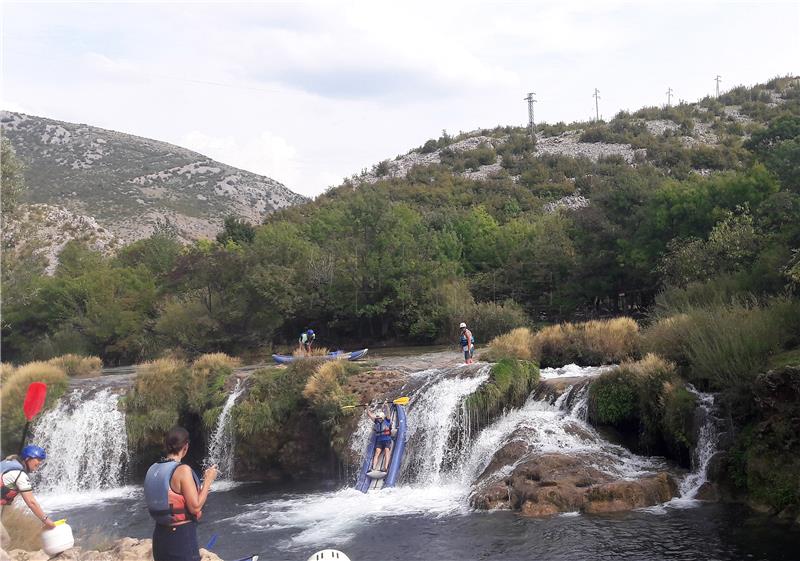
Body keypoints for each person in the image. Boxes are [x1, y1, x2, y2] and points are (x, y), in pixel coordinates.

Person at [144, 427, 217, 561]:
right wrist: (208, 481)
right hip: (180, 536)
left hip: (159, 535)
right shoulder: (182, 470)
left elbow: (170, 495)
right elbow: (195, 507)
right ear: (185, 447)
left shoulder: (153, 468)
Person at [1, 445, 57, 530]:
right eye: (38, 459)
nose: (39, 463)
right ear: (28, 459)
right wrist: (46, 521)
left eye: (41, 460)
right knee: (3, 540)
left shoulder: (8, 463)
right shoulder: (19, 474)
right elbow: (31, 502)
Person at [366, 407, 392, 472]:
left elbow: (388, 412)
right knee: (377, 453)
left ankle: (385, 467)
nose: (379, 419)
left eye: (380, 418)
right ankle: (373, 468)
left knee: (386, 450)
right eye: (378, 418)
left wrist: (387, 406)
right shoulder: (376, 421)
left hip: (387, 440)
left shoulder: (387, 420)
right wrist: (367, 407)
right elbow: (369, 415)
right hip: (379, 441)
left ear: (383, 418)